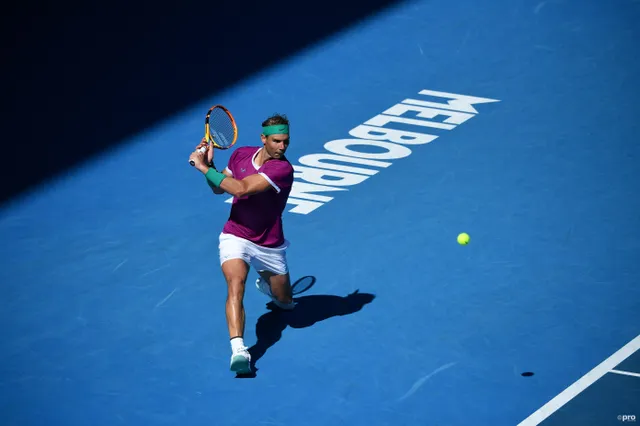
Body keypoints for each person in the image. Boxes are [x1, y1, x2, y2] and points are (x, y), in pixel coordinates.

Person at [189, 113, 296, 375]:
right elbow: (219, 189)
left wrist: (203, 168)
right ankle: (239, 350)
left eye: (286, 142)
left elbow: (240, 189)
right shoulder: (240, 155)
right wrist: (211, 168)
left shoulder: (281, 169)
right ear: (264, 139)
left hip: (269, 243)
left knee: (285, 303)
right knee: (235, 285)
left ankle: (270, 288)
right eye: (277, 141)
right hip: (235, 234)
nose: (282, 147)